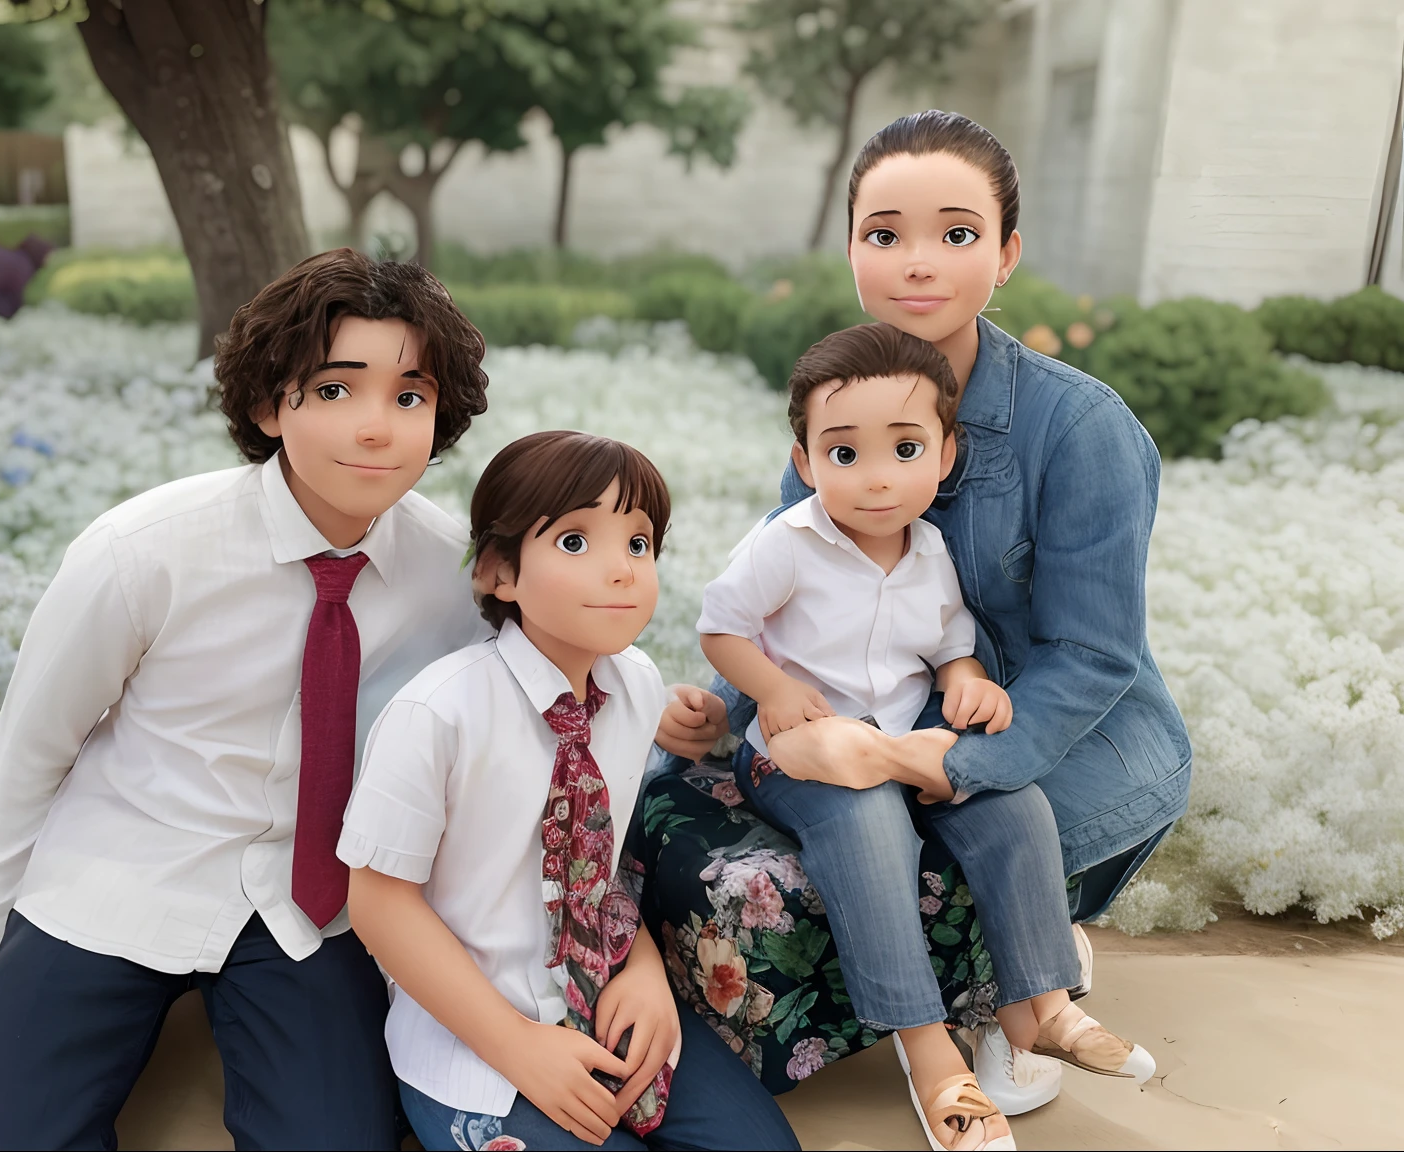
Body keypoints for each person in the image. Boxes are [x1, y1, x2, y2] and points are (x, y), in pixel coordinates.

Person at [0, 250, 725, 1150]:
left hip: (312, 911)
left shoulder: (448, 576)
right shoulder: (141, 553)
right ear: (272, 406)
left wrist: (652, 710)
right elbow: (29, 747)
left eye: (410, 397)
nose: (376, 428)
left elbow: (540, 708)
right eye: (337, 391)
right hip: (119, 872)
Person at [663, 109, 1192, 1126]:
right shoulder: (841, 405)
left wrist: (941, 761)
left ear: (1007, 253)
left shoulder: (1080, 428)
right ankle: (980, 982)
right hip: (889, 708)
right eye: (883, 233)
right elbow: (784, 605)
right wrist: (730, 714)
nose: (918, 262)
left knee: (958, 822)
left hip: (1068, 729)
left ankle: (1029, 976)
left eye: (956, 233)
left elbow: (1090, 656)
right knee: (816, 816)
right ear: (851, 245)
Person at [699, 322, 1151, 1152]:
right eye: (844, 455)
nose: (876, 479)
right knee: (868, 821)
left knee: (1008, 805)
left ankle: (1045, 1006)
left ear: (945, 457)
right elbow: (721, 627)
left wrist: (965, 681)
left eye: (905, 450)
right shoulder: (787, 545)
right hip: (801, 754)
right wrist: (771, 688)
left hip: (908, 734)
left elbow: (948, 643)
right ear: (804, 463)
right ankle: (930, 1051)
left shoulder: (932, 548)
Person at [341, 430, 801, 1152]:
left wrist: (645, 971)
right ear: (499, 572)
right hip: (479, 1038)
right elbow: (376, 901)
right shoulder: (440, 713)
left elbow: (594, 857)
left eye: (640, 544)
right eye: (577, 543)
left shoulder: (635, 684)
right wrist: (521, 1047)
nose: (621, 570)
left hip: (611, 999)